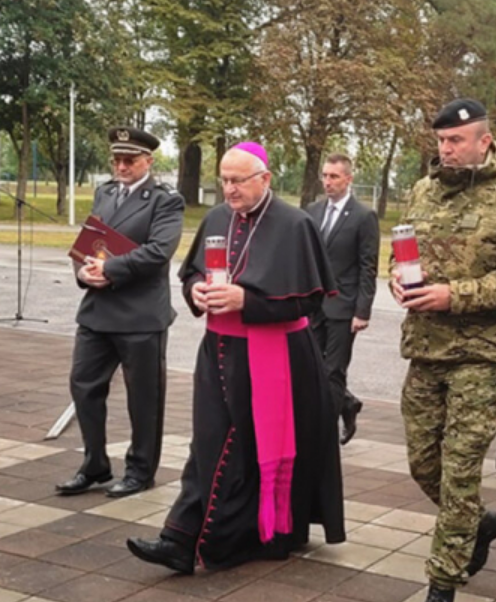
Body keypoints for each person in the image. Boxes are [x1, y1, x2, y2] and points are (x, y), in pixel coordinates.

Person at [126, 142, 345, 574]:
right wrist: (195, 291)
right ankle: (194, 538)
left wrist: (248, 299)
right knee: (212, 442)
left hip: (275, 354)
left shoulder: (294, 224)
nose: (228, 189)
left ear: (264, 179)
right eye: (223, 180)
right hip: (218, 348)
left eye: (237, 180)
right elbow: (190, 271)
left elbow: (308, 302)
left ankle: (196, 538)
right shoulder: (216, 218)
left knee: (244, 446)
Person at [391, 99, 496, 602]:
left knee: (460, 471)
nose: (446, 149)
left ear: (485, 141)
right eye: (441, 141)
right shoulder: (423, 191)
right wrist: (397, 281)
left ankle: (444, 583)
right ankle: (478, 523)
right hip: (426, 347)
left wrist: (454, 296)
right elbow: (400, 252)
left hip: (484, 354)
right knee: (424, 464)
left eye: (456, 141)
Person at [55, 127, 185, 498]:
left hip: (140, 315)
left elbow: (159, 251)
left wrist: (108, 271)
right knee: (83, 386)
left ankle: (140, 470)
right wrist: (82, 271)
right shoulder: (105, 192)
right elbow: (88, 241)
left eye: (130, 160)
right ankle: (95, 463)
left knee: (143, 398)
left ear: (148, 161)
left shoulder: (165, 200)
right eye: (116, 160)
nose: (122, 166)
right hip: (98, 311)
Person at [307, 153, 379, 445]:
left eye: (334, 176)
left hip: (343, 307)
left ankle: (323, 434)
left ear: (348, 179)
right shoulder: (312, 211)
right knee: (310, 366)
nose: (327, 182)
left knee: (333, 370)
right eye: (325, 175)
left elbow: (368, 267)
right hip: (312, 305)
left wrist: (362, 310)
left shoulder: (363, 217)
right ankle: (347, 403)